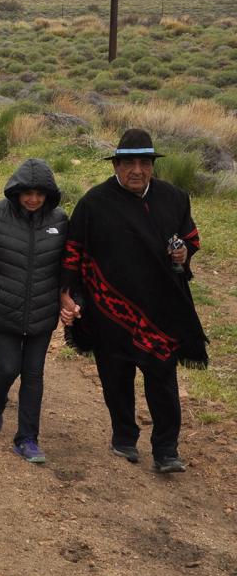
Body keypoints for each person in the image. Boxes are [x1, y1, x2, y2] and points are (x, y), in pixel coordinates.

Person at [60, 129, 207, 474]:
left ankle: (166, 450)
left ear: (152, 166)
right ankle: (124, 437)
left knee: (163, 379)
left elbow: (190, 238)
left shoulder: (174, 198)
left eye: (144, 163)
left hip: (161, 308)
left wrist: (184, 254)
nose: (137, 170)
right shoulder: (93, 203)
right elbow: (73, 251)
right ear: (116, 164)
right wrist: (66, 293)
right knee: (115, 376)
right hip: (109, 308)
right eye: (129, 163)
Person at [0, 159, 68, 464]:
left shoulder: (61, 221)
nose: (33, 199)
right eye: (27, 193)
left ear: (48, 193)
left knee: (34, 375)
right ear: (16, 191)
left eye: (39, 193)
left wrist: (68, 299)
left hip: (42, 314)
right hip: (3, 311)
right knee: (9, 368)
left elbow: (71, 266)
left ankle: (27, 439)